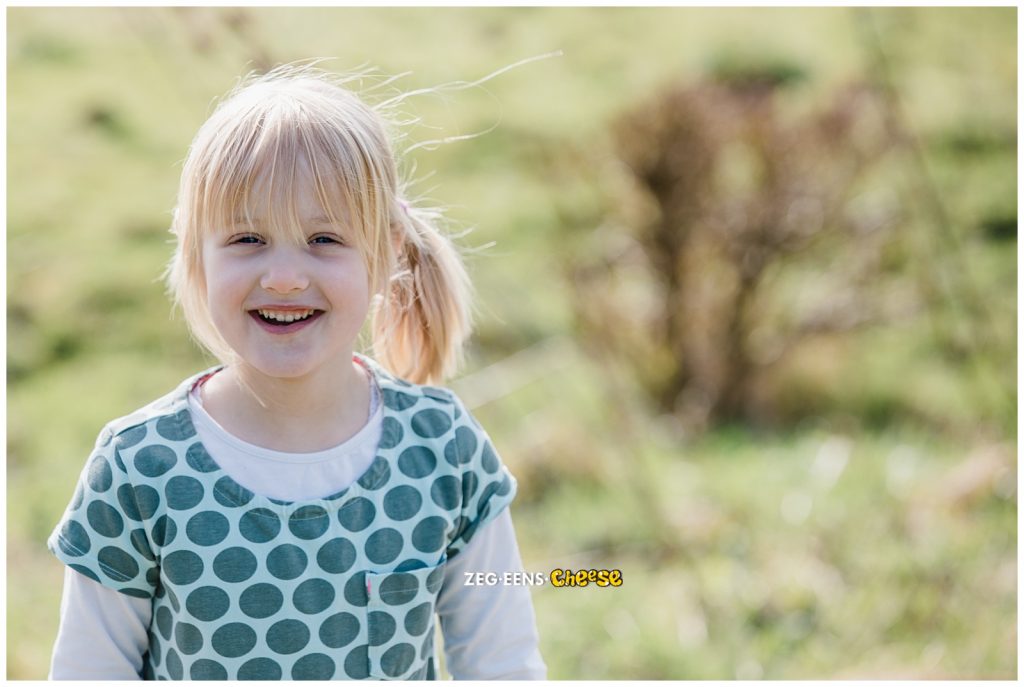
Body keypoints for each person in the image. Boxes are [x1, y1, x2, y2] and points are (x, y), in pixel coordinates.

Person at [47, 64, 546, 681]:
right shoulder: (138, 471)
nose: (283, 276)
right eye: (248, 238)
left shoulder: (443, 453)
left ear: (386, 250)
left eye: (324, 239)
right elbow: (89, 670)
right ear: (194, 253)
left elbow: (503, 660)